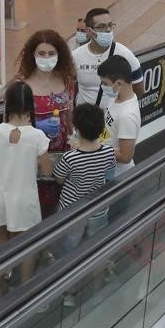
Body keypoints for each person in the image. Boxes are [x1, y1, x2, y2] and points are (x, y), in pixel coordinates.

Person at [0, 81, 52, 301]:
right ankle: (24, 292)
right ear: (30, 106)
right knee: (25, 246)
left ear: (6, 103)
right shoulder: (38, 136)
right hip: (24, 198)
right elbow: (47, 170)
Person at [15, 29, 77, 217]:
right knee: (31, 209)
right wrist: (36, 126)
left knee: (55, 207)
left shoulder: (67, 81)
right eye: (41, 54)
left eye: (51, 53)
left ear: (60, 55)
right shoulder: (21, 86)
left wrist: (75, 137)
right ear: (32, 55)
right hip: (31, 157)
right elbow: (8, 126)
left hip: (62, 156)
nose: (46, 58)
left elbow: (70, 113)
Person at [54, 103, 115, 282]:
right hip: (98, 209)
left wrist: (74, 150)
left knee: (67, 251)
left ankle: (67, 289)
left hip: (72, 212)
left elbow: (58, 178)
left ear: (77, 130)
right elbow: (110, 175)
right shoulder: (109, 152)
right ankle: (95, 282)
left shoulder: (70, 157)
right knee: (96, 247)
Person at [73, 7, 143, 106]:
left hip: (112, 119)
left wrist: (121, 108)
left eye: (110, 25)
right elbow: (71, 87)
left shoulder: (125, 54)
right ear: (90, 30)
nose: (108, 30)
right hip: (84, 119)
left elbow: (139, 88)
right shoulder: (76, 55)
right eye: (102, 26)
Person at [97, 55, 141, 176]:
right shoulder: (116, 98)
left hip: (117, 177)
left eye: (105, 83)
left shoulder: (127, 116)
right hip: (105, 169)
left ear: (119, 83)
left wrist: (94, 148)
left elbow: (125, 156)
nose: (102, 87)